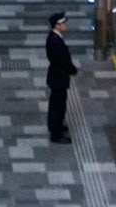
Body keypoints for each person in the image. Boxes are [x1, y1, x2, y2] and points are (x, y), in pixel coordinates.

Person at [44, 11, 78, 143]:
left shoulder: (55, 38)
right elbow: (62, 60)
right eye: (63, 23)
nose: (65, 25)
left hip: (57, 76)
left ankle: (56, 126)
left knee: (58, 103)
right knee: (58, 105)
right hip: (58, 76)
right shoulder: (55, 41)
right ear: (56, 25)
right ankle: (56, 133)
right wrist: (72, 70)